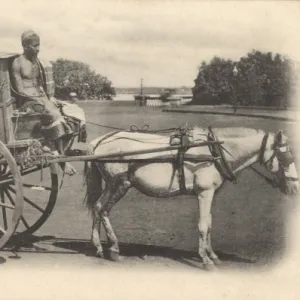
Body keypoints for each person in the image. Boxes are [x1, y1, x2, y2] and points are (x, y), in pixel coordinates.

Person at [11, 30, 87, 175]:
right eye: (35, 46)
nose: (38, 49)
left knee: (70, 112)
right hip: (26, 101)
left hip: (40, 98)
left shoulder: (36, 62)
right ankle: (58, 155)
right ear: (25, 45)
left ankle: (61, 150)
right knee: (53, 114)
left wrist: (49, 98)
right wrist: (38, 99)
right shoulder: (17, 63)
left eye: (39, 45)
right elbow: (19, 90)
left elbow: (40, 84)